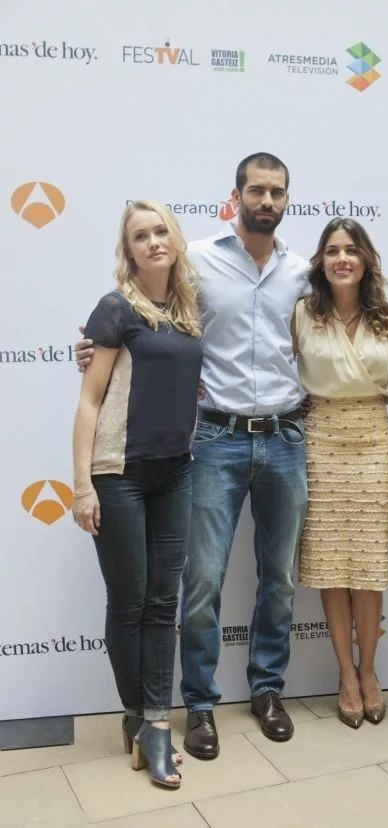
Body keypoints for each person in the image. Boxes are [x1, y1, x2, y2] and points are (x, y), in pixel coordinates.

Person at [76, 154, 309, 760]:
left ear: (287, 199)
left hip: (285, 437)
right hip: (212, 439)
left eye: (276, 192)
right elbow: (138, 315)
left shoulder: (302, 271)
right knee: (200, 580)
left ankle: (267, 690)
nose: (266, 200)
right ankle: (199, 704)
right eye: (255, 190)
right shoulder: (195, 260)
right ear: (236, 196)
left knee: (279, 579)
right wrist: (92, 347)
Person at [72, 200, 203, 787]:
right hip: (117, 473)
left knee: (162, 605)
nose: (153, 242)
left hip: (176, 472)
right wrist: (82, 486)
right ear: (128, 250)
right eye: (140, 236)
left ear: (175, 239)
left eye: (160, 231)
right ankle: (139, 719)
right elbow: (89, 401)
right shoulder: (114, 309)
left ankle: (154, 721)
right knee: (130, 603)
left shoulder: (187, 312)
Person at [292, 218, 388, 728]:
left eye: (351, 250)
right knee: (330, 566)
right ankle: (345, 675)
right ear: (321, 261)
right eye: (332, 250)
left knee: (369, 568)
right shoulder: (302, 313)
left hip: (375, 440)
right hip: (321, 440)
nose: (342, 259)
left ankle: (370, 671)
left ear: (365, 260)